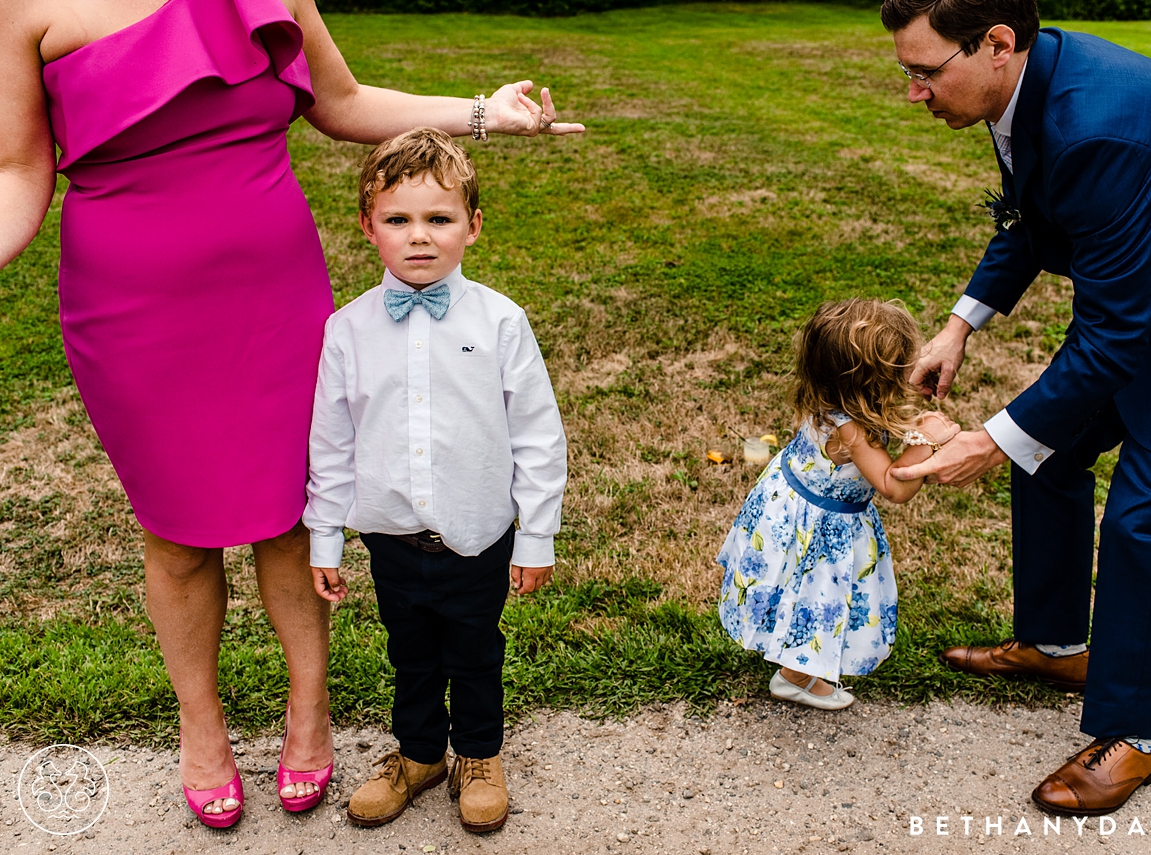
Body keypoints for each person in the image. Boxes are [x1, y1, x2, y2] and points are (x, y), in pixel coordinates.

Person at [1, 0, 582, 829]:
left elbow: (338, 101)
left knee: (288, 511)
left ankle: (307, 713)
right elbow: (20, 170)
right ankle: (200, 728)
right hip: (131, 307)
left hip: (271, 294)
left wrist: (484, 113)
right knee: (174, 533)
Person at [880, 0, 1151, 815]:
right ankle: (1059, 646)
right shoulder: (1024, 82)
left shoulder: (1098, 125)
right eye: (907, 72)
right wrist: (960, 324)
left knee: (1144, 513)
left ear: (996, 44)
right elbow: (1033, 215)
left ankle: (1137, 733)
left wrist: (989, 440)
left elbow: (1111, 342)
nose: (914, 94)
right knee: (1052, 445)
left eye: (925, 72)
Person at [305, 127, 567, 833]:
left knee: (476, 650)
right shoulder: (347, 330)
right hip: (390, 536)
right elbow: (330, 441)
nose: (419, 236)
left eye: (439, 218)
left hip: (478, 534)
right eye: (398, 219)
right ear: (368, 226)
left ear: (472, 226)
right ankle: (420, 753)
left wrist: (535, 534)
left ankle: (479, 754)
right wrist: (324, 536)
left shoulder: (501, 321)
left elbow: (537, 435)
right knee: (410, 651)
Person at [716, 299, 958, 710]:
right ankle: (794, 677)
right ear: (871, 382)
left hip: (792, 507)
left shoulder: (829, 398)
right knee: (816, 597)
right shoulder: (849, 430)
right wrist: (926, 440)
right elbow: (893, 486)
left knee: (794, 588)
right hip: (820, 529)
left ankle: (792, 664)